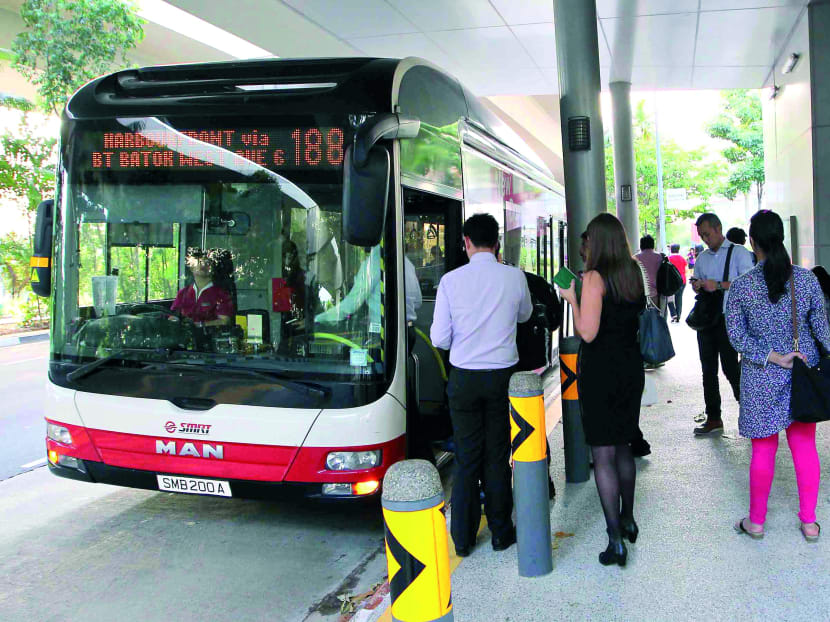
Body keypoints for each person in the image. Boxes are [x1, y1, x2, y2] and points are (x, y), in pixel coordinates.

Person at [431, 213, 532, 557]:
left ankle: (462, 538)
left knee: (467, 459)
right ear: (497, 243)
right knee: (497, 456)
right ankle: (502, 532)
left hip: (464, 379)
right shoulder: (514, 277)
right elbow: (525, 316)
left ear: (466, 242)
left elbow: (439, 338)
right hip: (502, 378)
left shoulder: (450, 281)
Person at [726, 210, 830, 541]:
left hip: (761, 378)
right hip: (802, 373)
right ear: (781, 238)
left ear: (753, 242)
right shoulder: (807, 280)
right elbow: (823, 331)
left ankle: (756, 523)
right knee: (804, 448)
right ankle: (810, 524)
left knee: (763, 450)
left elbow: (736, 337)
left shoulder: (742, 287)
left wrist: (771, 356)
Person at [559, 213, 645, 567]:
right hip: (629, 368)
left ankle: (615, 541)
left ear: (598, 242)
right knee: (623, 445)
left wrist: (571, 296)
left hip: (600, 372)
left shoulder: (594, 278)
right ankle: (628, 518)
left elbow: (588, 332)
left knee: (603, 454)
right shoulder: (633, 273)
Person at [690, 213, 755, 435]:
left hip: (730, 318)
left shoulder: (739, 253)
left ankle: (750, 411)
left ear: (718, 229)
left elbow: (748, 285)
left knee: (730, 367)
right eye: (701, 236)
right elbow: (695, 280)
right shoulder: (702, 258)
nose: (705, 239)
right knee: (708, 369)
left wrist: (717, 285)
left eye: (707, 234)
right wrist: (697, 285)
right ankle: (713, 417)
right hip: (707, 319)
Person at [170, 248, 234, 326]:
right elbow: (173, 316)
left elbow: (224, 321)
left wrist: (199, 325)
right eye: (199, 262)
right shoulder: (183, 293)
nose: (203, 265)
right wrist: (175, 321)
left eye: (208, 263)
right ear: (191, 267)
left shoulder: (222, 294)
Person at [634, 235, 662, 309]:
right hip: (656, 292)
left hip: (639, 292)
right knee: (656, 316)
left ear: (641, 245)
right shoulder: (659, 257)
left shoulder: (635, 258)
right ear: (653, 244)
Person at [666, 243, 688, 323]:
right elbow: (685, 269)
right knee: (679, 298)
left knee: (669, 298)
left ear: (671, 249)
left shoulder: (668, 259)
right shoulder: (682, 258)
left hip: (672, 281)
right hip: (682, 280)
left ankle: (674, 314)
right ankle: (678, 316)